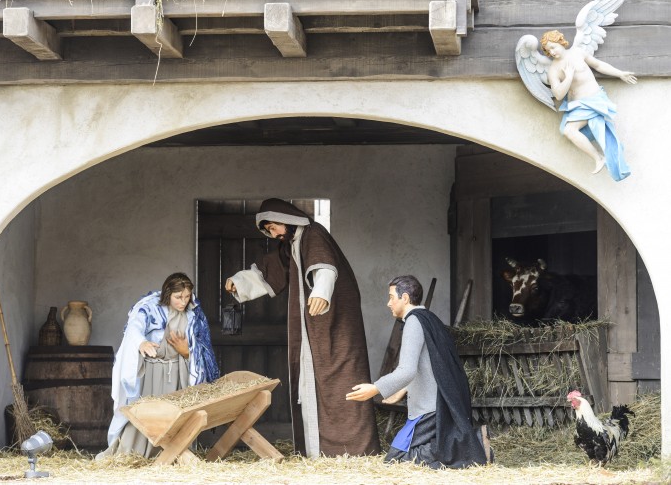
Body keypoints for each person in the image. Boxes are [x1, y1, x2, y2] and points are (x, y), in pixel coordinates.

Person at [224, 198, 380, 458]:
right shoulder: (293, 244)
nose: (272, 234)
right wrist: (239, 282)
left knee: (341, 380)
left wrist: (321, 292)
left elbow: (326, 267)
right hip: (316, 326)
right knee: (317, 381)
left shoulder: (313, 234)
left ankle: (351, 450)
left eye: (273, 227)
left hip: (334, 324)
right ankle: (321, 450)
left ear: (286, 219)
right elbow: (269, 272)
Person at [346, 275, 490, 468]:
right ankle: (469, 445)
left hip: (430, 409)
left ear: (404, 298)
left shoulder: (414, 322)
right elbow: (430, 363)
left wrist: (375, 388)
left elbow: (406, 370)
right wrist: (401, 390)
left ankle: (475, 444)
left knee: (395, 460)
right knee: (407, 453)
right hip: (438, 402)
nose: (388, 303)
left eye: (391, 297)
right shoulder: (429, 318)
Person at [97, 272, 219, 459]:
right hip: (153, 372)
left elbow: (203, 348)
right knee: (148, 414)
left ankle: (172, 453)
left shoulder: (194, 313)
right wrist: (141, 343)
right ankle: (135, 454)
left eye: (186, 297)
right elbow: (133, 328)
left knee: (176, 415)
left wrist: (186, 350)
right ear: (168, 293)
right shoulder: (149, 308)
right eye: (178, 297)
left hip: (180, 372)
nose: (183, 302)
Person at [541, 30, 635, 181]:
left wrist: (619, 73)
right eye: (548, 50)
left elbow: (598, 65)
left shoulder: (578, 52)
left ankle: (599, 158)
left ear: (561, 41)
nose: (552, 52)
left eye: (553, 47)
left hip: (594, 100)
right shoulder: (554, 70)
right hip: (579, 106)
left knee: (569, 130)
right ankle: (599, 157)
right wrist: (569, 77)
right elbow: (558, 94)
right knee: (568, 131)